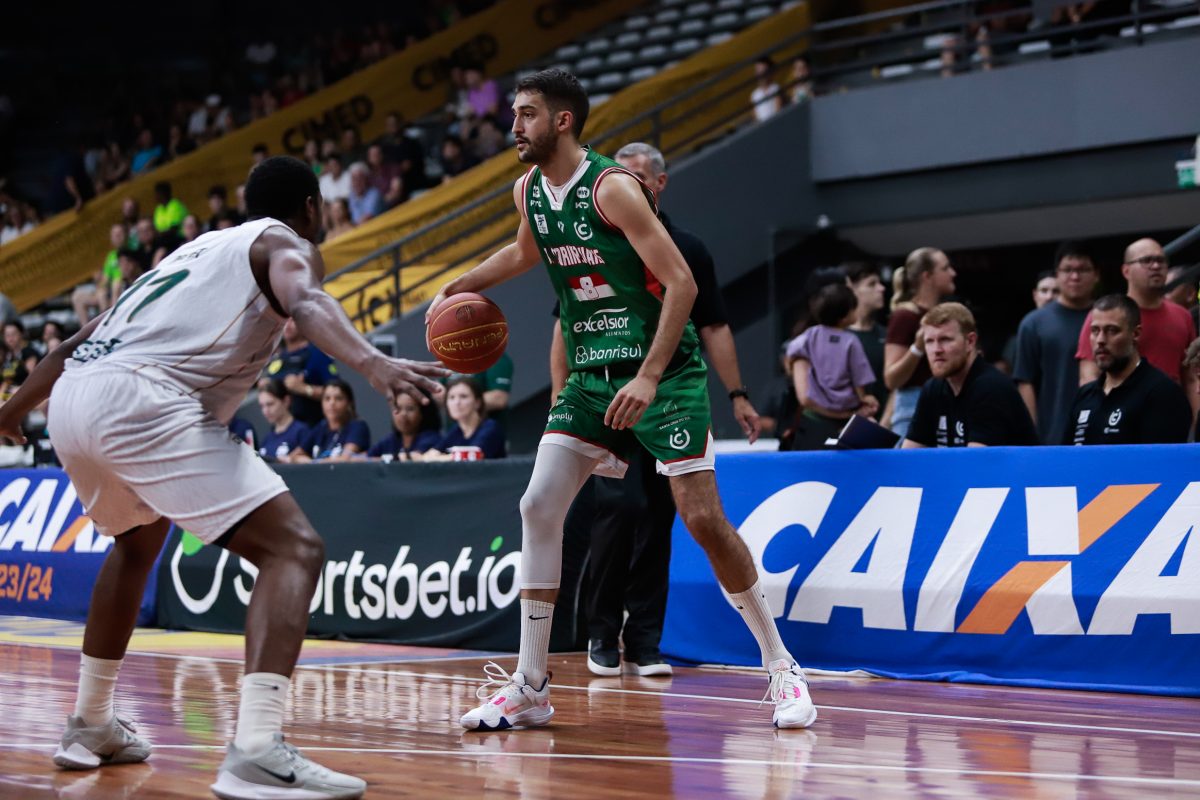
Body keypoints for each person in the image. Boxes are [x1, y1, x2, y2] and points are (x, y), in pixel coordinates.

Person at [0, 155, 446, 797]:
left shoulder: (187, 256)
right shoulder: (286, 243)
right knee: (293, 549)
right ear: (312, 209)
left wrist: (13, 410)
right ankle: (258, 750)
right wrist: (373, 363)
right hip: (141, 399)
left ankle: (90, 723)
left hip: (74, 400)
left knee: (137, 544)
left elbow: (73, 346)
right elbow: (307, 300)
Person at [428, 68, 816, 732]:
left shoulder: (612, 188)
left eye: (525, 114)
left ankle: (781, 664)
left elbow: (683, 283)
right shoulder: (529, 189)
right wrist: (459, 286)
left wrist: (649, 377)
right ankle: (530, 685)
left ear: (562, 121)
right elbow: (523, 252)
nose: (513, 126)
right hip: (591, 375)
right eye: (513, 112)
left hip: (665, 375)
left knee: (702, 519)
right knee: (538, 505)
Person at [552, 140, 763, 677]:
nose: (623, 182)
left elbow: (714, 324)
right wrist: (560, 398)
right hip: (606, 395)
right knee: (618, 510)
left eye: (638, 175)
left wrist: (737, 394)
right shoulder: (589, 237)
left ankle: (645, 641)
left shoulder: (687, 247)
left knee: (662, 516)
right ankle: (602, 633)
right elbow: (565, 323)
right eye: (618, 173)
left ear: (660, 183)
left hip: (667, 397)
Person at [1076, 238, 1198, 416]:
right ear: (1126, 270)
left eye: (1161, 260)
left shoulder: (1183, 316)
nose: (1156, 266)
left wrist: (1195, 423)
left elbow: (1191, 378)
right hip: (1117, 416)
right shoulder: (1103, 316)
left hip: (1170, 415)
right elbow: (1089, 375)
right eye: (1146, 260)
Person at [903, 303, 1037, 448]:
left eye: (945, 339)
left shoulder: (991, 387)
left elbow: (975, 460)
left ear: (970, 342)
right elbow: (908, 455)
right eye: (929, 341)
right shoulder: (933, 388)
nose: (936, 349)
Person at [1065, 295, 1191, 445]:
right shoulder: (1085, 395)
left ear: (1135, 334)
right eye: (1095, 331)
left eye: (1112, 330)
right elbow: (1065, 455)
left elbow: (1162, 458)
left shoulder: (1162, 393)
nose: (1100, 340)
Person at [1013, 242, 1098, 445]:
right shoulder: (1033, 323)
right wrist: (1032, 437)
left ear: (1096, 275)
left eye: (1083, 270)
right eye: (1068, 270)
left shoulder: (1108, 318)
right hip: (1052, 437)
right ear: (1057, 274)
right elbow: (1025, 382)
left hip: (1102, 433)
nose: (1075, 276)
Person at [787, 283, 878, 449]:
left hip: (814, 418)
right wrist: (864, 398)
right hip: (846, 417)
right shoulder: (851, 341)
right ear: (844, 317)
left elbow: (791, 352)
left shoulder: (809, 335)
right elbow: (859, 376)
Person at [884, 247, 957, 437]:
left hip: (947, 405)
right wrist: (917, 347)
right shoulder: (905, 316)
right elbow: (891, 379)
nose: (952, 273)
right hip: (913, 410)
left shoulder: (945, 315)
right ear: (927, 276)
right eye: (945, 268)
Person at [260, 318, 338, 426]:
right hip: (285, 429)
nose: (287, 325)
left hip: (315, 425)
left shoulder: (317, 353)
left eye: (292, 321)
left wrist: (305, 389)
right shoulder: (277, 358)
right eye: (284, 321)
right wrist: (265, 387)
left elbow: (337, 392)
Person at [845, 262, 888, 420]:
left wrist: (884, 424)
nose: (881, 288)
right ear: (851, 289)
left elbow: (896, 388)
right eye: (871, 284)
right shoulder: (838, 337)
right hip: (847, 425)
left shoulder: (887, 335)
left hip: (886, 425)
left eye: (879, 282)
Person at [424, 377, 505, 460]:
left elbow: (472, 457)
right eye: (452, 397)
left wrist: (439, 458)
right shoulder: (457, 430)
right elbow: (430, 455)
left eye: (463, 396)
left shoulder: (490, 427)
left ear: (477, 402)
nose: (457, 402)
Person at [292, 379, 371, 461]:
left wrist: (316, 464)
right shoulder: (321, 427)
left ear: (349, 403)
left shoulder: (357, 427)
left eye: (338, 398)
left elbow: (346, 459)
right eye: (327, 398)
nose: (332, 403)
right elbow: (295, 456)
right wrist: (310, 462)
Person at [366, 390, 441, 460]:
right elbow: (367, 458)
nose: (403, 414)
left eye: (410, 409)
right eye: (398, 408)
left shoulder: (431, 438)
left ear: (423, 413)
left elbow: (415, 458)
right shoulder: (391, 440)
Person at [257, 379, 311, 462]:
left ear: (286, 401)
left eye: (270, 404)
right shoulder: (266, 439)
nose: (265, 411)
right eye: (262, 406)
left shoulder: (301, 432)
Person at [1, 320, 40, 400]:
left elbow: (34, 378)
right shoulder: (8, 356)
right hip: (9, 396)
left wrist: (20, 389)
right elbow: (6, 381)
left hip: (26, 395)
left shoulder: (28, 352)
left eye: (13, 334)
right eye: (7, 335)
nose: (10, 338)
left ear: (22, 334)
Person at [750, 57, 783, 122]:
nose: (760, 74)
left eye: (763, 71)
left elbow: (779, 110)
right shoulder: (754, 94)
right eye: (757, 71)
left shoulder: (775, 88)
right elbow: (755, 116)